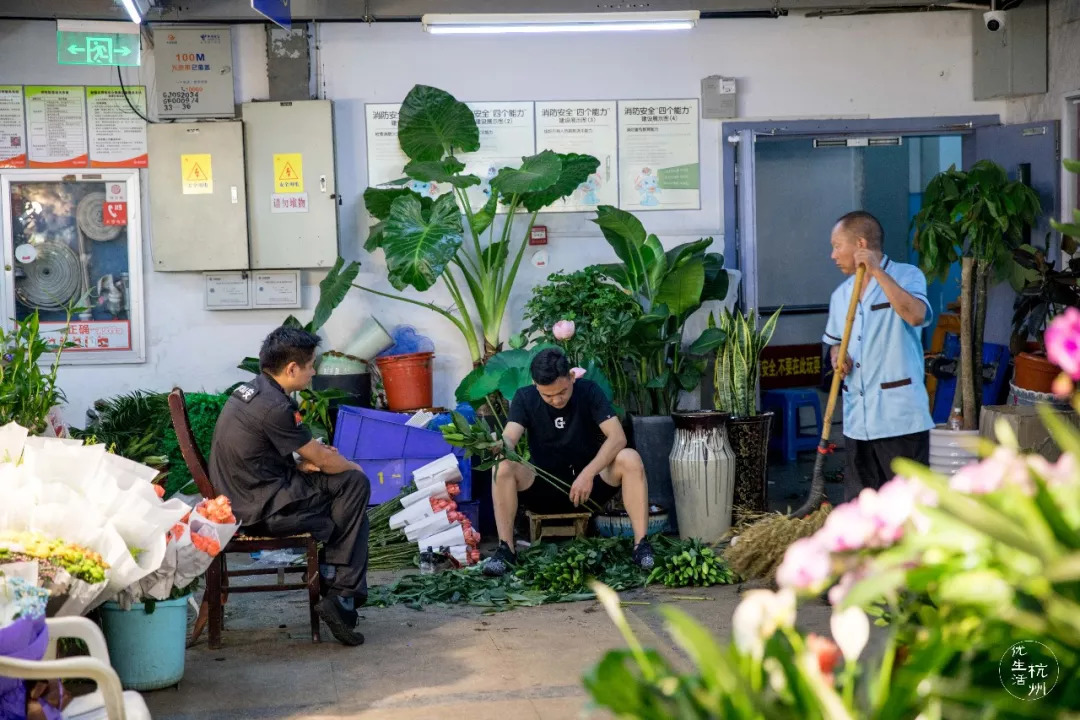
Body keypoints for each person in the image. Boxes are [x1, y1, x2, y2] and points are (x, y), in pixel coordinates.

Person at [209, 326, 370, 646]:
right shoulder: (277, 407)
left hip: (244, 495)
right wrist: (348, 464)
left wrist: (306, 463)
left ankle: (334, 579)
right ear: (292, 368)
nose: (313, 372)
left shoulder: (251, 390)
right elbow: (324, 460)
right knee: (354, 484)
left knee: (345, 492)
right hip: (263, 509)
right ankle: (341, 591)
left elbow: (264, 453)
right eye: (310, 365)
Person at [483, 348, 654, 577]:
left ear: (572, 377)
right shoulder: (525, 397)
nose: (556, 400)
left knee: (630, 458)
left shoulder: (589, 391)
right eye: (548, 395)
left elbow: (617, 437)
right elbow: (510, 438)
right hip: (543, 489)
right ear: (535, 384)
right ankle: (506, 550)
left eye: (562, 391)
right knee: (502, 465)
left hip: (589, 490)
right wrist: (500, 446)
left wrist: (588, 474)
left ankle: (641, 546)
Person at [824, 211, 935, 501]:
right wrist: (838, 356)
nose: (833, 255)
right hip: (857, 421)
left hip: (899, 419)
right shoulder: (841, 295)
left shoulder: (907, 275)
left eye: (837, 246)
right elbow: (836, 344)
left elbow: (916, 315)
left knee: (908, 506)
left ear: (861, 244)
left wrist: (877, 272)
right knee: (862, 509)